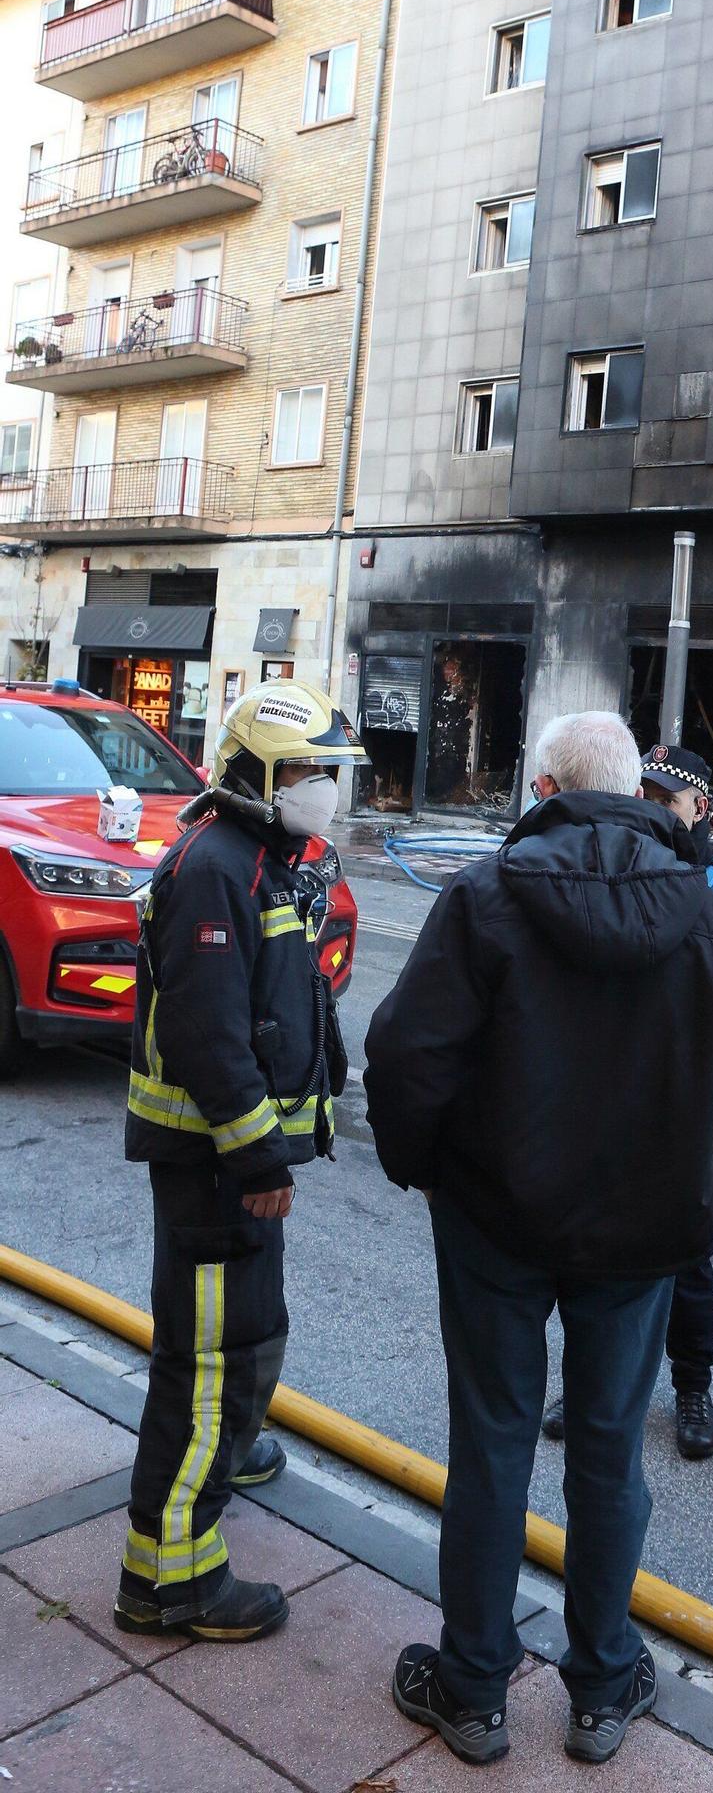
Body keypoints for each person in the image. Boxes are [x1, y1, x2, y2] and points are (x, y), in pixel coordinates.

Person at [364, 711, 713, 1768]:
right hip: (642, 1232)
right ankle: (600, 1685)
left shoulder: (485, 896)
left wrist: (426, 1169)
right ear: (638, 788)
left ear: (542, 784)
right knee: (604, 1450)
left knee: (493, 1443)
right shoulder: (705, 908)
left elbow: (407, 1056)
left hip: (498, 1217)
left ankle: (472, 1686)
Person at [114, 681, 365, 1643]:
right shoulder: (221, 866)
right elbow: (212, 1035)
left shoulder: (259, 857)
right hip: (217, 1168)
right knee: (208, 1366)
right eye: (306, 772)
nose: (321, 790)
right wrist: (261, 1161)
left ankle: (233, 1448)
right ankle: (169, 1580)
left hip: (232, 1165)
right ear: (257, 772)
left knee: (246, 1336)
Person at [541, 742, 713, 1460]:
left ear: (698, 808)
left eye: (662, 798)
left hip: (693, 1112)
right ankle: (589, 1382)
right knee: (596, 1253)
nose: (646, 809)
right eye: (638, 793)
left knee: (686, 1263)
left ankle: (692, 1387)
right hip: (618, 1102)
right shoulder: (619, 870)